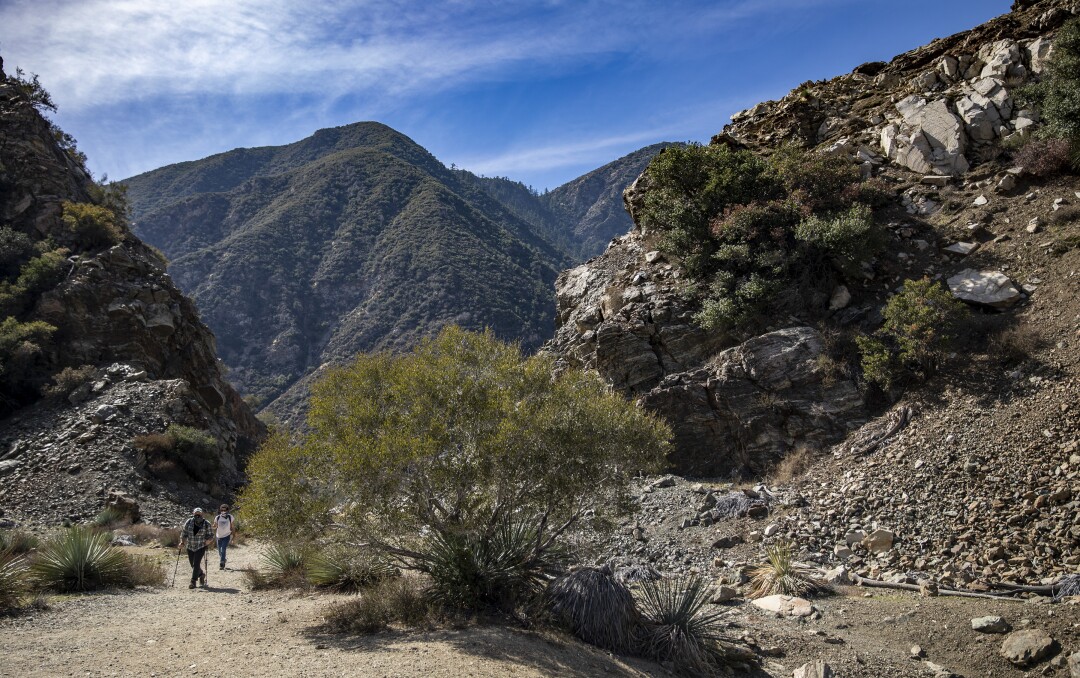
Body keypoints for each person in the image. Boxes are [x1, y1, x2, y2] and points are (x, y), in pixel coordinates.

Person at [178, 507, 214, 589]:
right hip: (190, 546)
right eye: (196, 513)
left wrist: (208, 541)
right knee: (192, 564)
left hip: (200, 546)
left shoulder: (206, 523)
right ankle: (201, 574)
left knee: (196, 564)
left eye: (199, 513)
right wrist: (182, 542)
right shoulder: (189, 522)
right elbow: (184, 533)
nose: (197, 515)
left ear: (202, 514)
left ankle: (193, 581)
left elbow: (211, 535)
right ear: (193, 513)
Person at [214, 504, 236, 570]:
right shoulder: (217, 517)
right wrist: (212, 526)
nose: (223, 511)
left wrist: (234, 536)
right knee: (219, 551)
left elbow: (232, 527)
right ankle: (223, 558)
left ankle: (222, 563)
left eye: (225, 510)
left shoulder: (230, 517)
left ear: (227, 510)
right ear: (220, 510)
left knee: (223, 549)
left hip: (226, 535)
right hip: (218, 536)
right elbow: (215, 526)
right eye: (222, 510)